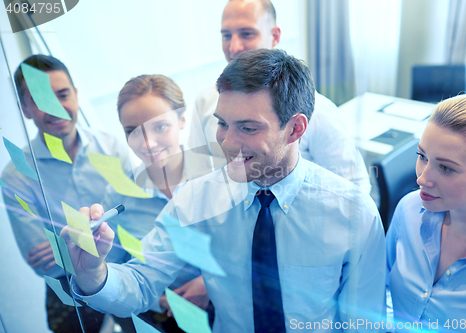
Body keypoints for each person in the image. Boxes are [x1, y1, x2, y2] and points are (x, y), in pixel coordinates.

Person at [63, 49, 386, 333]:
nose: (227, 143)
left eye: (247, 127)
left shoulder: (352, 213)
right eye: (222, 124)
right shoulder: (197, 199)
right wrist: (95, 274)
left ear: (295, 128)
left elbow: (364, 323)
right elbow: (144, 281)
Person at [1, 54, 131, 332]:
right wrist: (106, 233)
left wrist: (66, 245)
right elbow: (45, 265)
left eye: (62, 95)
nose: (55, 108)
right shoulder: (15, 176)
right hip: (68, 291)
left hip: (128, 273)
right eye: (39, 100)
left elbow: (138, 224)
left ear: (76, 95)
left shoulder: (111, 147)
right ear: (25, 108)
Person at [188, 0, 371, 193]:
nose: (233, 47)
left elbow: (355, 189)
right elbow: (195, 176)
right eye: (226, 35)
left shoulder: (317, 111)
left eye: (246, 34)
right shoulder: (205, 101)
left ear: (274, 36)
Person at [102, 74, 216, 332]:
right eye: (132, 131)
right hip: (164, 321)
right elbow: (113, 267)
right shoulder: (118, 196)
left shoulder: (219, 173)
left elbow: (251, 250)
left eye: (160, 127)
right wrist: (156, 300)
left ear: (183, 119)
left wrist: (208, 284)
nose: (148, 144)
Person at [386, 94, 466, 331]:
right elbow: (381, 287)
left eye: (446, 168)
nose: (421, 178)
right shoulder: (408, 210)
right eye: (422, 157)